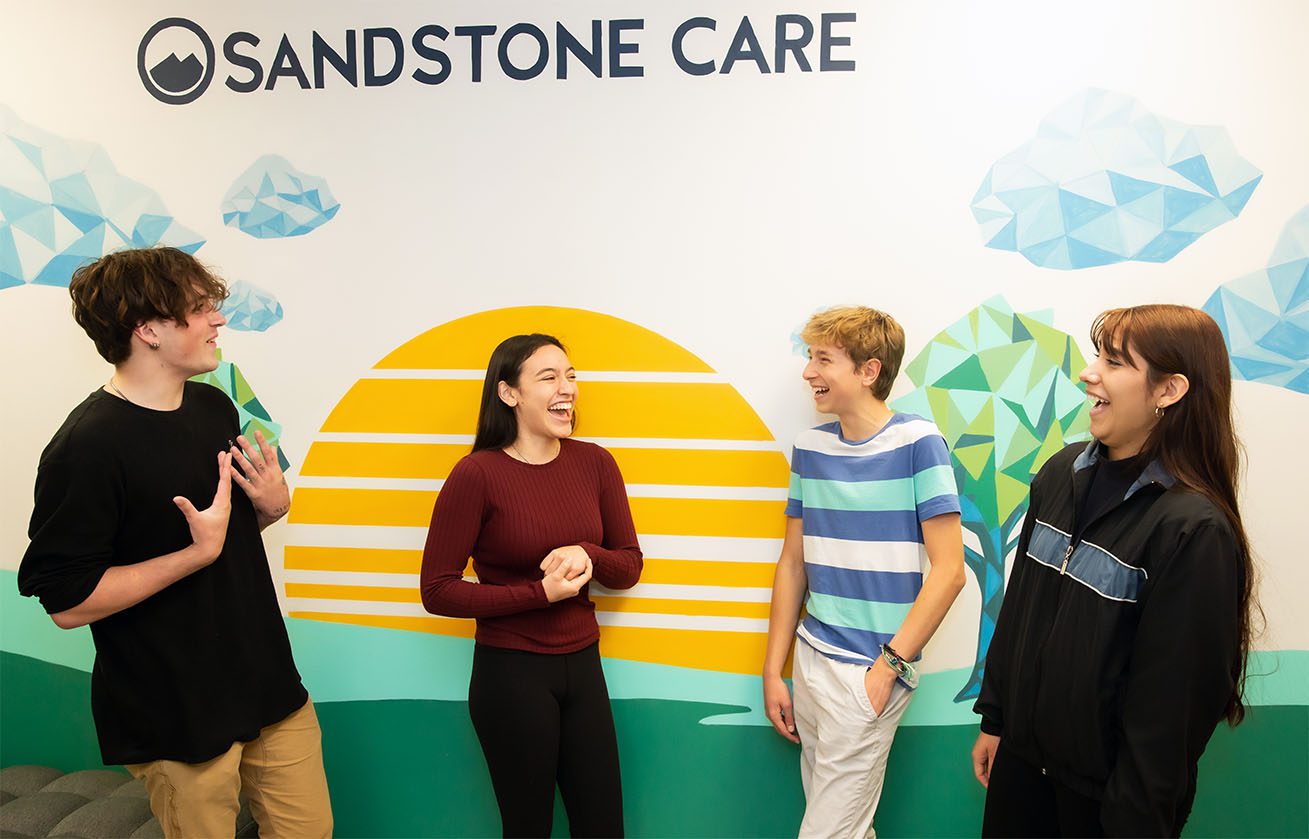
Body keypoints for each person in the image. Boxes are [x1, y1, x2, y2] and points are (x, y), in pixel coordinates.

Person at [17, 247, 332, 838]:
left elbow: (220, 539)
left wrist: (267, 510)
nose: (218, 320)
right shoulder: (85, 448)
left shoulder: (214, 407)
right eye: (199, 308)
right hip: (175, 711)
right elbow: (67, 602)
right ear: (148, 330)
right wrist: (195, 555)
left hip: (269, 686)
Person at [971, 304, 1257, 837]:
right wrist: (998, 722)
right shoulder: (1061, 473)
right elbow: (1021, 610)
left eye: (1115, 361)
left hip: (1105, 807)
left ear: (1168, 391)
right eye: (1097, 355)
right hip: (1021, 773)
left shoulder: (1193, 530)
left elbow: (1169, 714)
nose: (1089, 372)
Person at [419, 333, 643, 838]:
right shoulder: (476, 474)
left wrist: (589, 553)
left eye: (570, 375)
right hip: (511, 676)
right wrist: (539, 594)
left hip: (584, 667)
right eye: (548, 377)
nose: (567, 388)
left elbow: (628, 566)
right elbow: (437, 590)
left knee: (604, 827)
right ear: (508, 394)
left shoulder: (596, 464)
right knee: (528, 829)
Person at [763, 306, 966, 838]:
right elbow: (792, 564)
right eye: (811, 357)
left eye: (823, 359)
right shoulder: (809, 448)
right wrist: (774, 669)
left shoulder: (919, 442)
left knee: (827, 833)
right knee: (847, 828)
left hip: (870, 669)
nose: (808, 372)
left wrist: (888, 669)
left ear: (868, 371)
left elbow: (950, 571)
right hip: (811, 658)